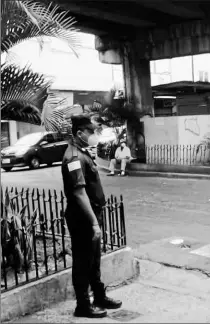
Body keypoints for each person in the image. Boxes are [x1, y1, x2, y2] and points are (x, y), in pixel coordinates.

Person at [61, 114, 122, 318]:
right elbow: (79, 193)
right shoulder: (74, 158)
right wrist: (94, 223)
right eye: (91, 131)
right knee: (83, 261)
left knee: (94, 259)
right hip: (82, 218)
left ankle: (99, 296)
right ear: (79, 133)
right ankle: (83, 306)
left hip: (90, 215)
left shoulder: (82, 153)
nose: (94, 135)